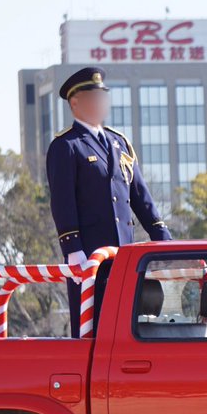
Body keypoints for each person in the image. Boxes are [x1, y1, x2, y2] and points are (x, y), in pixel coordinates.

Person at [46, 67, 171, 336]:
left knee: (127, 325)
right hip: (90, 255)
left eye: (103, 96)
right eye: (93, 96)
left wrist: (163, 237)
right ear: (75, 102)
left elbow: (140, 196)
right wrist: (73, 248)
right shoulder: (66, 145)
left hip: (125, 254)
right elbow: (62, 201)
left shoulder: (119, 143)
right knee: (93, 324)